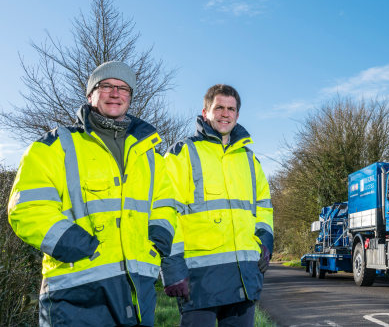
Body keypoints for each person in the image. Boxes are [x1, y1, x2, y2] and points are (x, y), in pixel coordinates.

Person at [7, 61, 178, 326]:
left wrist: (156, 242)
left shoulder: (150, 154)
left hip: (138, 288)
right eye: (106, 85)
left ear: (130, 98)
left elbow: (165, 203)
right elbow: (26, 206)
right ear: (90, 95)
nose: (115, 93)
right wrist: (76, 245)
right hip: (75, 291)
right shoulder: (54, 146)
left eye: (123, 88)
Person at [161, 84, 273, 327]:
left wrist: (265, 239)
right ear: (205, 112)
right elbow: (165, 212)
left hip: (244, 278)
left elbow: (263, 205)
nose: (225, 113)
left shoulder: (249, 159)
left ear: (237, 115)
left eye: (231, 109)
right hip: (198, 281)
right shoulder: (182, 153)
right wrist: (172, 267)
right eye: (219, 107)